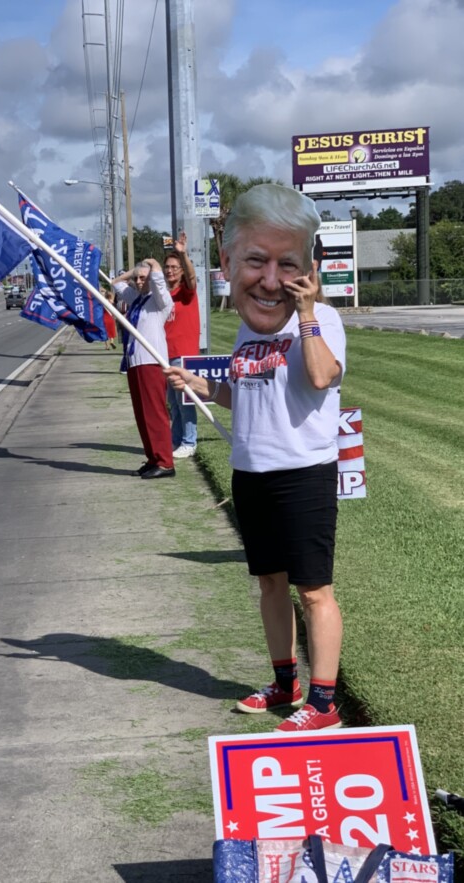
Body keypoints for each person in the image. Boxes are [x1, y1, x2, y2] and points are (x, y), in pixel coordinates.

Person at [165, 183, 346, 732]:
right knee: (269, 583)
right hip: (252, 471)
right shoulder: (252, 324)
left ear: (306, 265)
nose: (273, 280)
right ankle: (285, 680)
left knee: (313, 590)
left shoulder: (321, 321)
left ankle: (323, 702)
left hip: (304, 473)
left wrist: (309, 313)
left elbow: (319, 377)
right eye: (257, 262)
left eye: (287, 263)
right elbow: (248, 390)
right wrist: (202, 384)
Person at [113, 259, 175, 479]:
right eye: (137, 279)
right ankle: (153, 458)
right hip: (135, 361)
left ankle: (166, 462)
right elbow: (116, 284)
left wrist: (153, 266)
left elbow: (159, 283)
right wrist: (134, 271)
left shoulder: (160, 301)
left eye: (143, 279)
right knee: (142, 415)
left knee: (155, 414)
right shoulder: (137, 299)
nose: (138, 282)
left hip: (151, 361)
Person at [163, 232, 200, 460]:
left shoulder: (186, 292)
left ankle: (189, 441)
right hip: (165, 355)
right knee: (174, 403)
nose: (170, 271)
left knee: (184, 401)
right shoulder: (164, 294)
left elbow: (193, 278)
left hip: (183, 356)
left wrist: (184, 254)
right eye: (167, 267)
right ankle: (176, 440)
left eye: (175, 267)